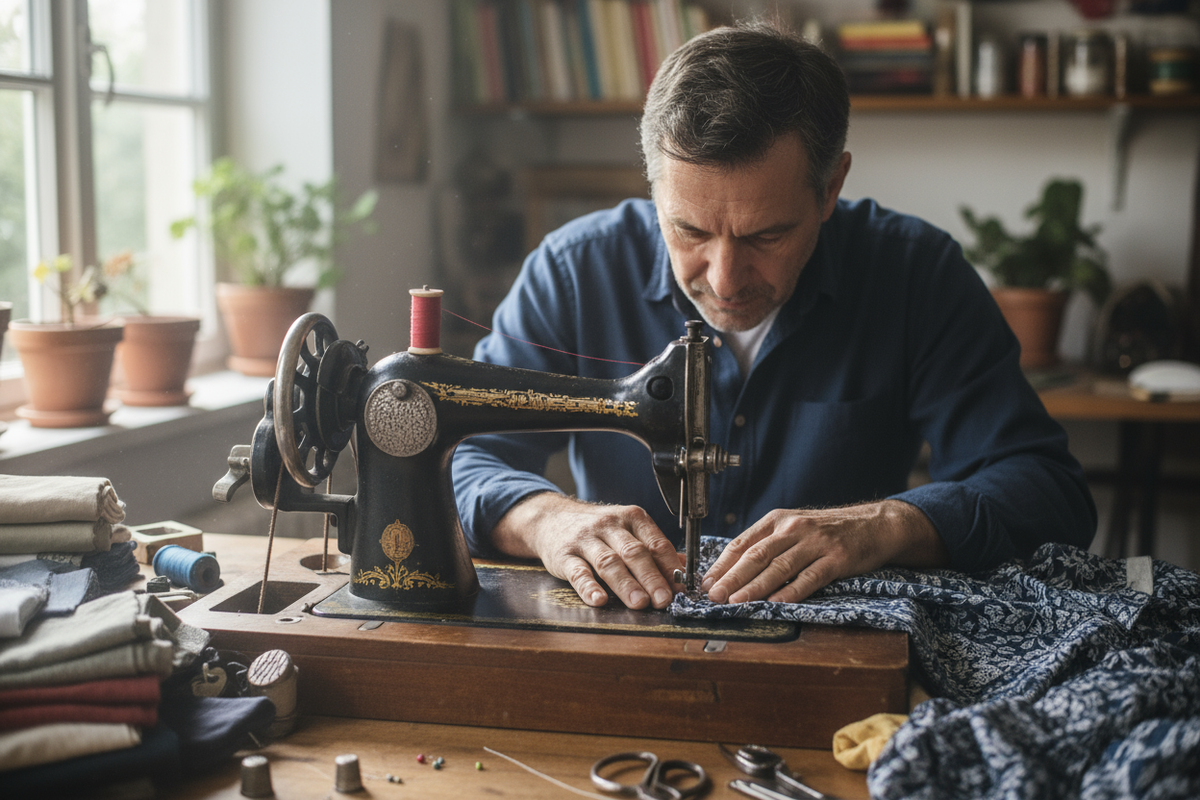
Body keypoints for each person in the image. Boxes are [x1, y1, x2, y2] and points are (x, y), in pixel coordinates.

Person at [452, 22, 1097, 612]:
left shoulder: (915, 275)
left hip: (835, 653)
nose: (725, 279)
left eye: (766, 236)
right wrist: (547, 518)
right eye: (689, 230)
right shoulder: (574, 273)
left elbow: (1049, 491)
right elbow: (462, 456)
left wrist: (883, 526)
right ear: (655, 190)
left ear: (830, 189)